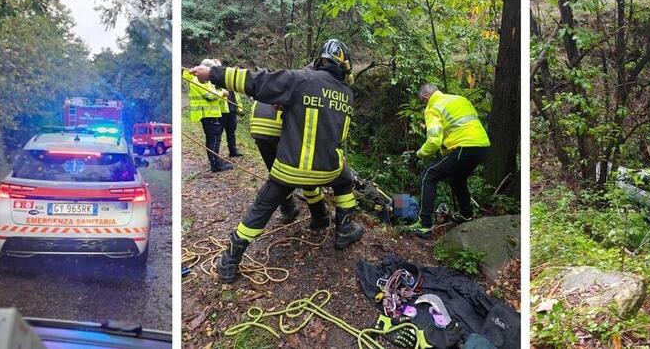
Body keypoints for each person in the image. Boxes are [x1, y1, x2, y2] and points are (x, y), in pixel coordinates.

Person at [190, 39, 363, 283]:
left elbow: (255, 82)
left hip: (290, 170)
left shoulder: (302, 80)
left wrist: (213, 73)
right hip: (328, 171)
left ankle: (230, 260)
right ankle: (344, 229)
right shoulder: (347, 94)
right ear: (345, 66)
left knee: (261, 208)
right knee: (345, 182)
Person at [405, 83, 491, 239]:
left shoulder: (432, 107)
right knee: (457, 179)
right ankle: (466, 214)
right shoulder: (460, 99)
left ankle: (424, 224)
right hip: (483, 146)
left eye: (423, 102)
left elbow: (434, 141)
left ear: (425, 97)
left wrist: (419, 153)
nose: (424, 105)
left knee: (429, 175)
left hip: (465, 146)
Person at [183, 64, 232, 173]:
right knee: (214, 138)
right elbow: (210, 95)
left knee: (211, 138)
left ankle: (214, 160)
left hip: (209, 113)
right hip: (207, 113)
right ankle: (215, 163)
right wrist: (223, 93)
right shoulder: (198, 80)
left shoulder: (202, 80)